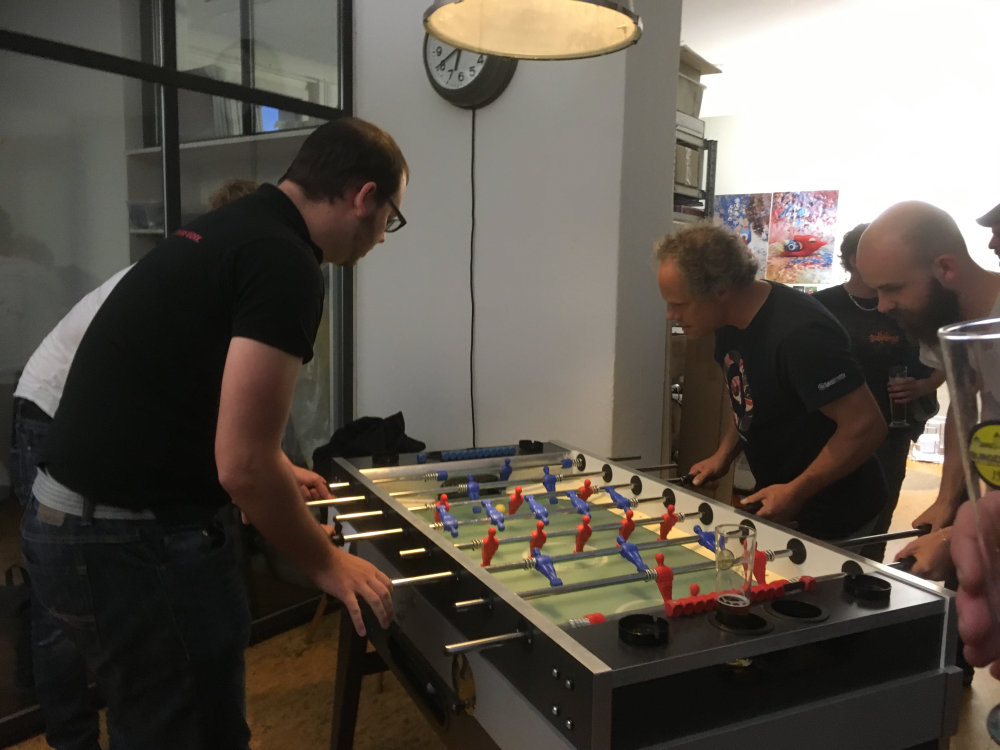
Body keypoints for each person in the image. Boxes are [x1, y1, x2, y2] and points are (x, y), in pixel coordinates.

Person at [22, 118, 406, 749]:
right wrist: (326, 562)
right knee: (194, 731)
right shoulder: (285, 261)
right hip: (126, 541)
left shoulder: (233, 227)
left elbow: (184, 396)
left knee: (152, 720)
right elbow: (243, 466)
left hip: (66, 522)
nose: (383, 236)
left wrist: (276, 469)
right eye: (391, 217)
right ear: (365, 197)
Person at [658, 223, 888, 540]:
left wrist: (796, 490)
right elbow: (746, 397)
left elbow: (866, 426)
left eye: (679, 304)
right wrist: (723, 455)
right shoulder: (727, 319)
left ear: (721, 290)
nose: (670, 314)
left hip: (837, 510)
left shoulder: (801, 335)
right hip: (785, 499)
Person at [856, 201, 1000, 579]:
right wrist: (947, 501)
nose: (883, 306)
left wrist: (956, 538)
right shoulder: (941, 319)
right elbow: (964, 409)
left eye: (893, 289)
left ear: (945, 268)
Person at [813, 223, 943, 561]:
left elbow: (949, 360)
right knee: (828, 518)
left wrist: (924, 385)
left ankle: (866, 578)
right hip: (831, 432)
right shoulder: (822, 305)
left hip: (891, 432)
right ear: (854, 259)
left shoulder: (908, 306)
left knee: (879, 518)